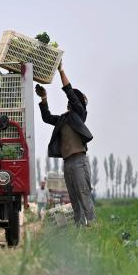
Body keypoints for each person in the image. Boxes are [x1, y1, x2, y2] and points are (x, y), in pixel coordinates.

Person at [36, 63, 95, 225]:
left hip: (78, 161)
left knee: (83, 193)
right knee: (74, 197)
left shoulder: (79, 115)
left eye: (75, 99)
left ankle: (92, 224)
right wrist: (44, 98)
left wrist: (61, 70)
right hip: (67, 162)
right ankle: (79, 226)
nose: (71, 100)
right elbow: (47, 117)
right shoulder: (63, 119)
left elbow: (69, 91)